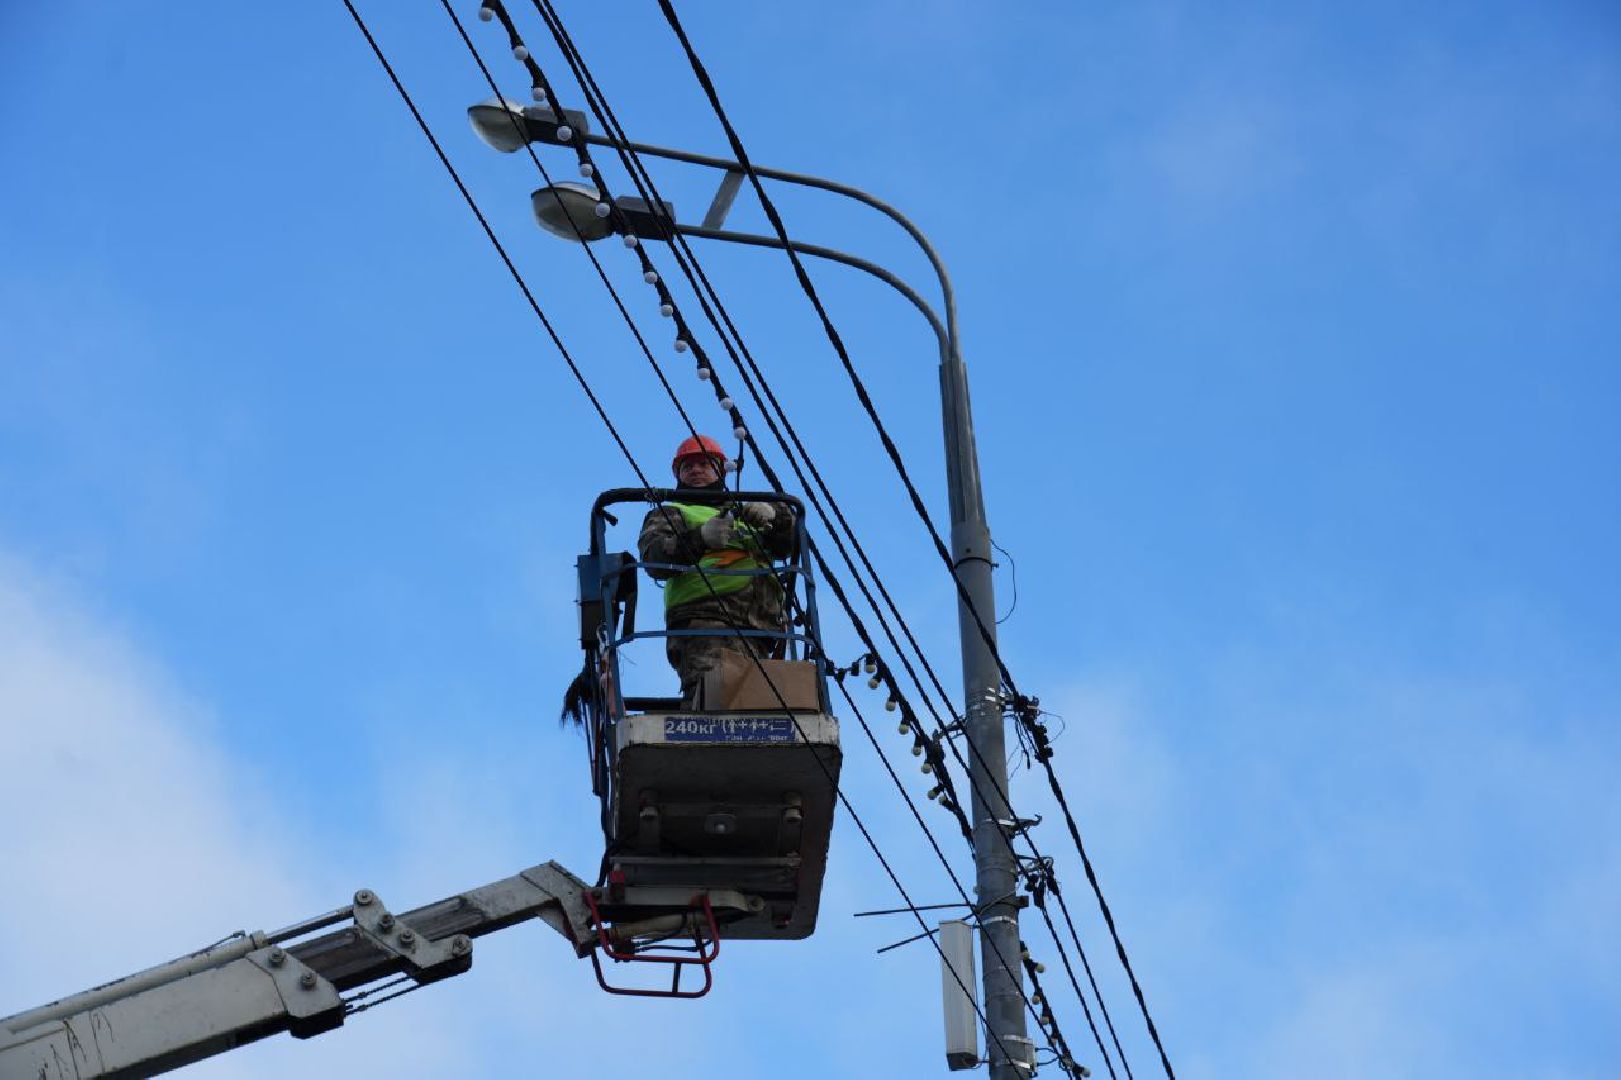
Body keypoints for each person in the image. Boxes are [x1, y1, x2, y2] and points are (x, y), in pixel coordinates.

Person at [638, 434, 797, 706]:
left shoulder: (745, 511)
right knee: (713, 702)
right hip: (705, 623)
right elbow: (654, 558)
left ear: (721, 471)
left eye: (704, 464)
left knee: (752, 706)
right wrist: (700, 538)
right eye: (688, 466)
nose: (696, 470)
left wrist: (774, 513)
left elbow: (789, 544)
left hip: (758, 629)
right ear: (678, 474)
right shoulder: (671, 513)